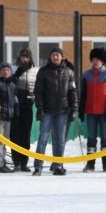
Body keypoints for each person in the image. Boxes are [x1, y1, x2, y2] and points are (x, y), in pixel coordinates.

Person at [32, 47, 77, 176]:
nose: (55, 57)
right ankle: (38, 166)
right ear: (50, 57)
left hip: (62, 110)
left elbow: (72, 91)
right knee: (43, 138)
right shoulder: (43, 71)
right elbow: (38, 91)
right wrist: (39, 108)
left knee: (60, 140)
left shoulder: (69, 72)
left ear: (61, 57)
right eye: (53, 55)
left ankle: (58, 165)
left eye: (57, 55)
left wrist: (73, 108)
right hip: (47, 111)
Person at [78, 47, 106, 172]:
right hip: (91, 112)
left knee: (105, 138)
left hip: (104, 112)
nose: (95, 62)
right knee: (91, 138)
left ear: (103, 61)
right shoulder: (86, 75)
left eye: (98, 59)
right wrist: (81, 109)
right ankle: (90, 164)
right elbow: (83, 94)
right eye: (93, 59)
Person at [10, 48, 38, 172]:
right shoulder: (14, 69)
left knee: (25, 136)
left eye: (27, 57)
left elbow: (39, 86)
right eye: (23, 57)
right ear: (19, 58)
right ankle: (16, 161)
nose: (25, 59)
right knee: (15, 135)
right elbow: (9, 85)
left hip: (28, 107)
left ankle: (24, 162)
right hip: (16, 107)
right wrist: (16, 75)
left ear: (30, 58)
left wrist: (35, 98)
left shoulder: (36, 70)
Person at [0, 62, 18, 173]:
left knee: (5, 141)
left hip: (9, 116)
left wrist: (15, 113)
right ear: (0, 71)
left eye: (8, 70)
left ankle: (1, 161)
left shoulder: (12, 85)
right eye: (3, 70)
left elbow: (14, 100)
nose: (6, 72)